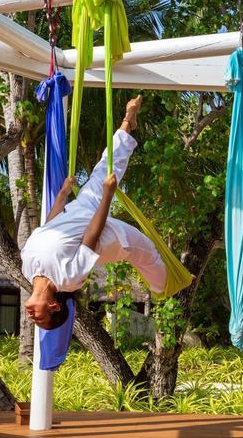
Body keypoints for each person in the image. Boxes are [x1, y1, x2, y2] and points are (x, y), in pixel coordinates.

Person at [21, 95, 166, 330]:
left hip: (79, 212)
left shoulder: (27, 268)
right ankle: (168, 286)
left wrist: (62, 196)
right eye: (39, 319)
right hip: (109, 238)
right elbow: (91, 235)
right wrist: (108, 194)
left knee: (105, 168)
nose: (31, 318)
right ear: (54, 306)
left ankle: (128, 122)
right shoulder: (68, 279)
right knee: (148, 253)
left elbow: (49, 228)